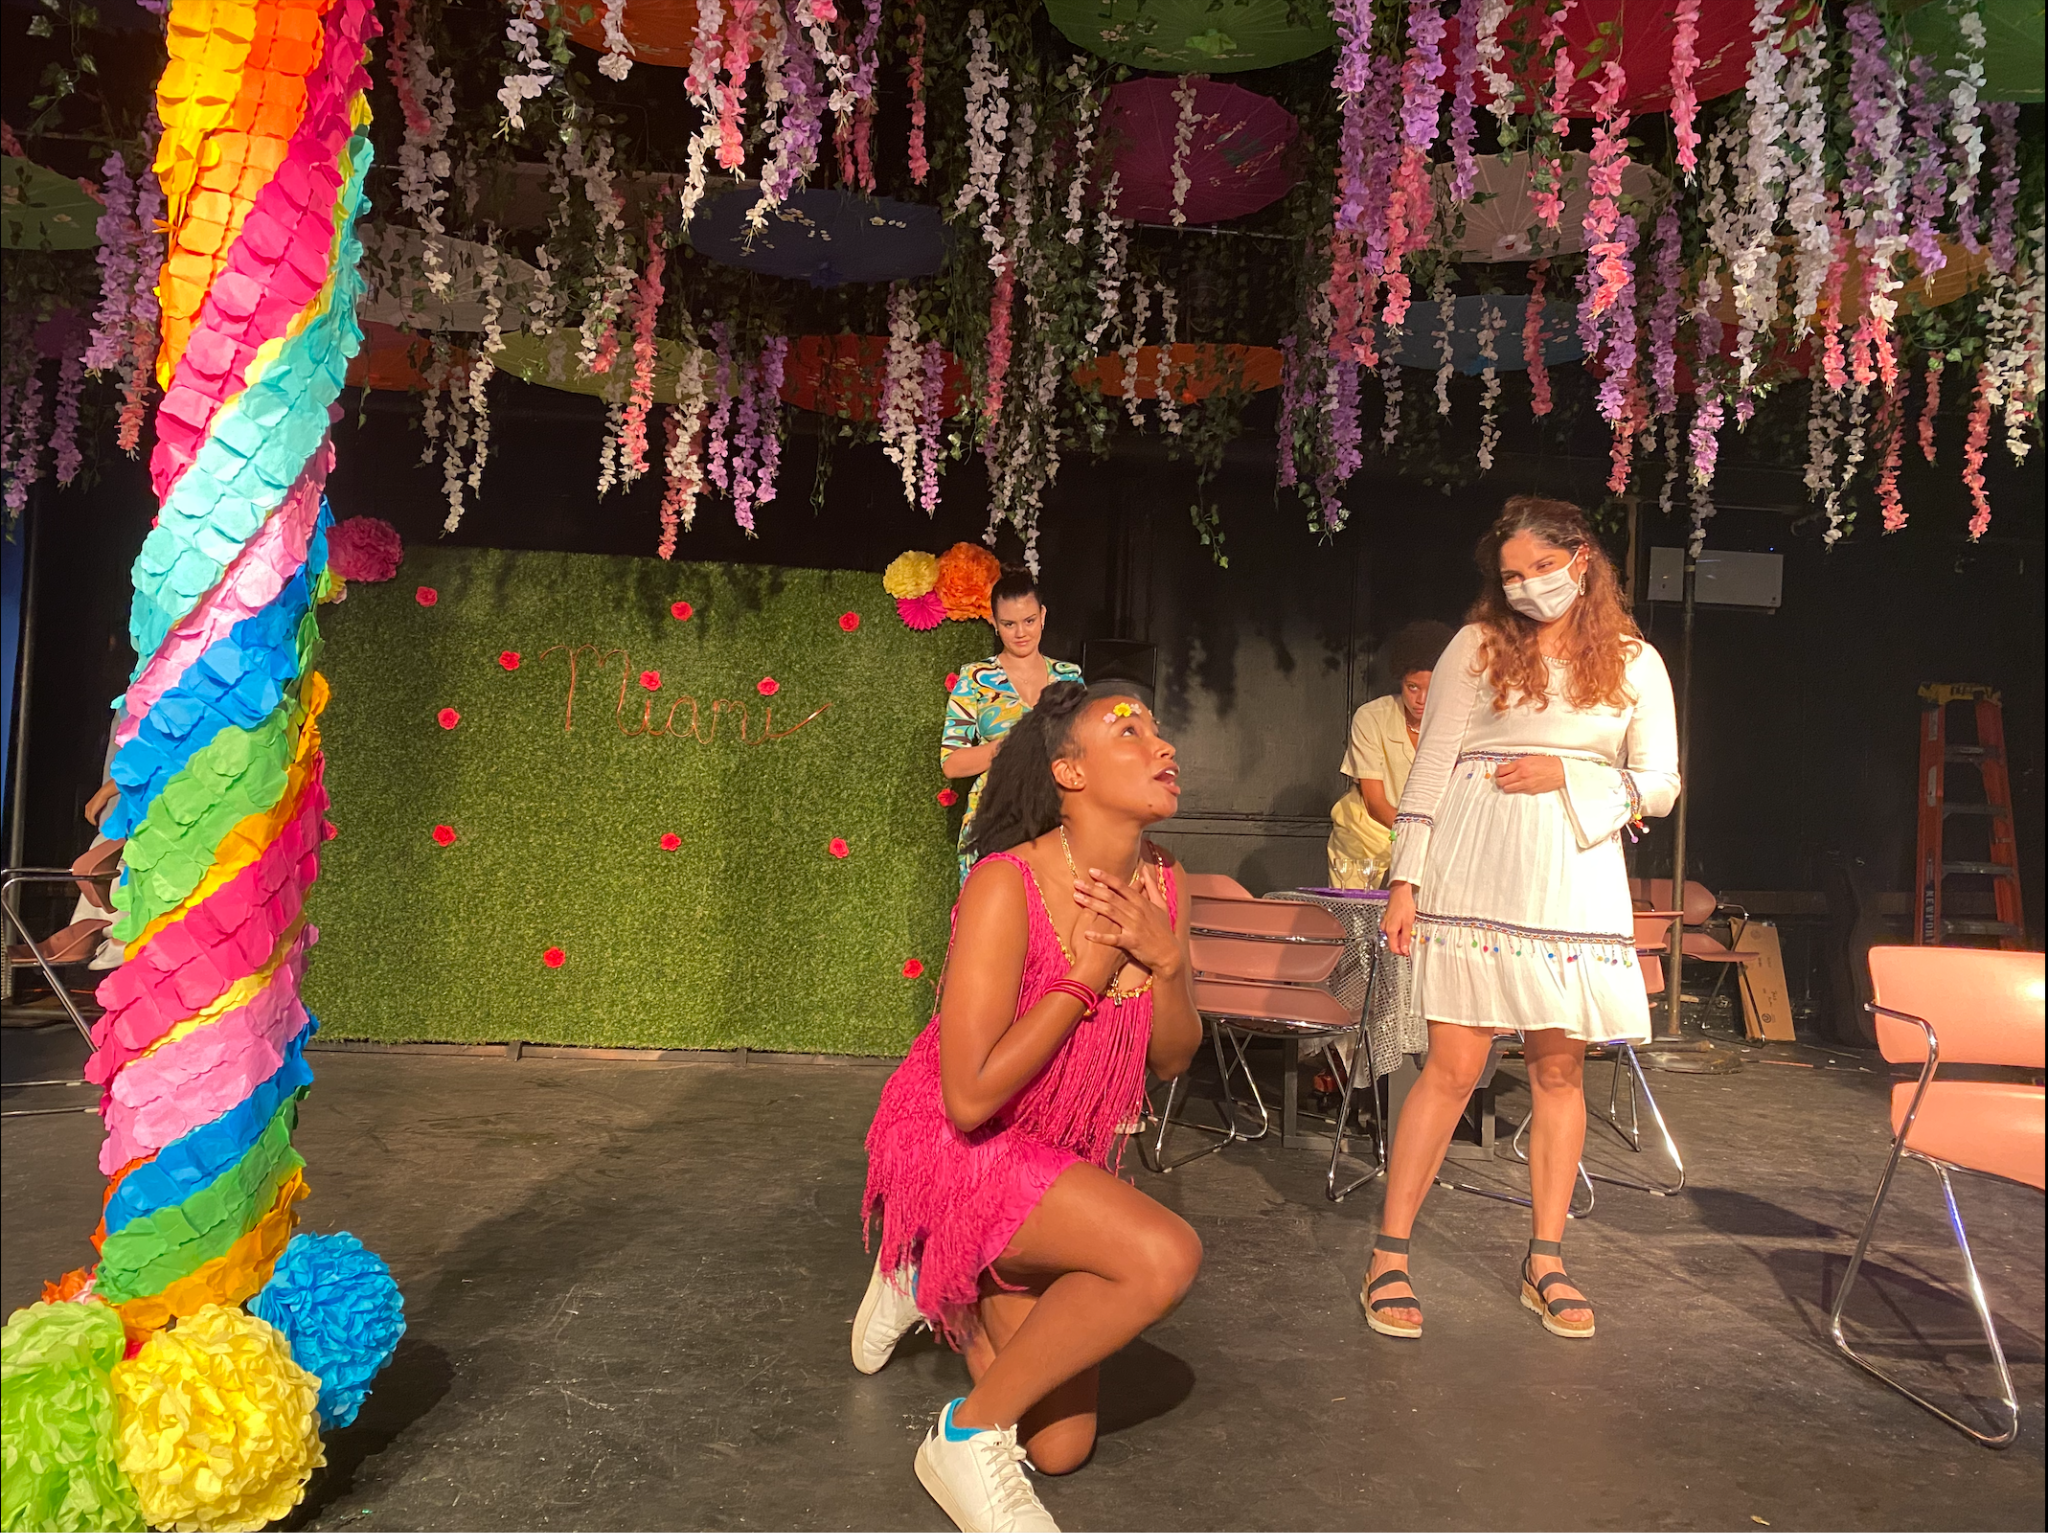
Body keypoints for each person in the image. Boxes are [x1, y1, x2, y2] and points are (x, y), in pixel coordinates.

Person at [855, 682, 1204, 1533]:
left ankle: (932, 1273)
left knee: (1060, 1446)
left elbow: (1172, 1056)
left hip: (1049, 1160)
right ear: (1070, 772)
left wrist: (1165, 962)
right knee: (1163, 1254)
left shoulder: (1167, 882)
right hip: (959, 1145)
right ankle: (960, 1433)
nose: (1161, 745)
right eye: (1129, 731)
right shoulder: (1006, 882)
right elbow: (970, 1095)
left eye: (1158, 729)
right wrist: (1085, 976)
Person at [1364, 496, 1678, 1344]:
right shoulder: (1475, 645)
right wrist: (1405, 880)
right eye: (1511, 574)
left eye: (1541, 567)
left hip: (1572, 874)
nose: (1528, 585)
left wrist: (1570, 775)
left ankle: (1546, 1257)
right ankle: (1389, 1252)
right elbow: (1431, 766)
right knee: (1453, 1066)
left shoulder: (1635, 661)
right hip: (1474, 868)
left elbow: (1660, 783)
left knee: (1559, 1071)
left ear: (1581, 560)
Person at [942, 569, 1085, 886]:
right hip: (994, 820)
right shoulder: (975, 678)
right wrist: (1015, 744)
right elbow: (952, 763)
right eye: (1009, 624)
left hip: (1059, 819)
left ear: (1043, 616)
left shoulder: (1069, 677)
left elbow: (1087, 750)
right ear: (994, 622)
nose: (1021, 632)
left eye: (1029, 621)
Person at [1327, 620, 1456, 889]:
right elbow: (1374, 803)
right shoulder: (1372, 717)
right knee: (1357, 914)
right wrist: (1413, 837)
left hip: (1429, 843)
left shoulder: (1459, 724)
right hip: (1365, 841)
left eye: (1432, 688)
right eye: (1413, 687)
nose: (1421, 699)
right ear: (1400, 680)